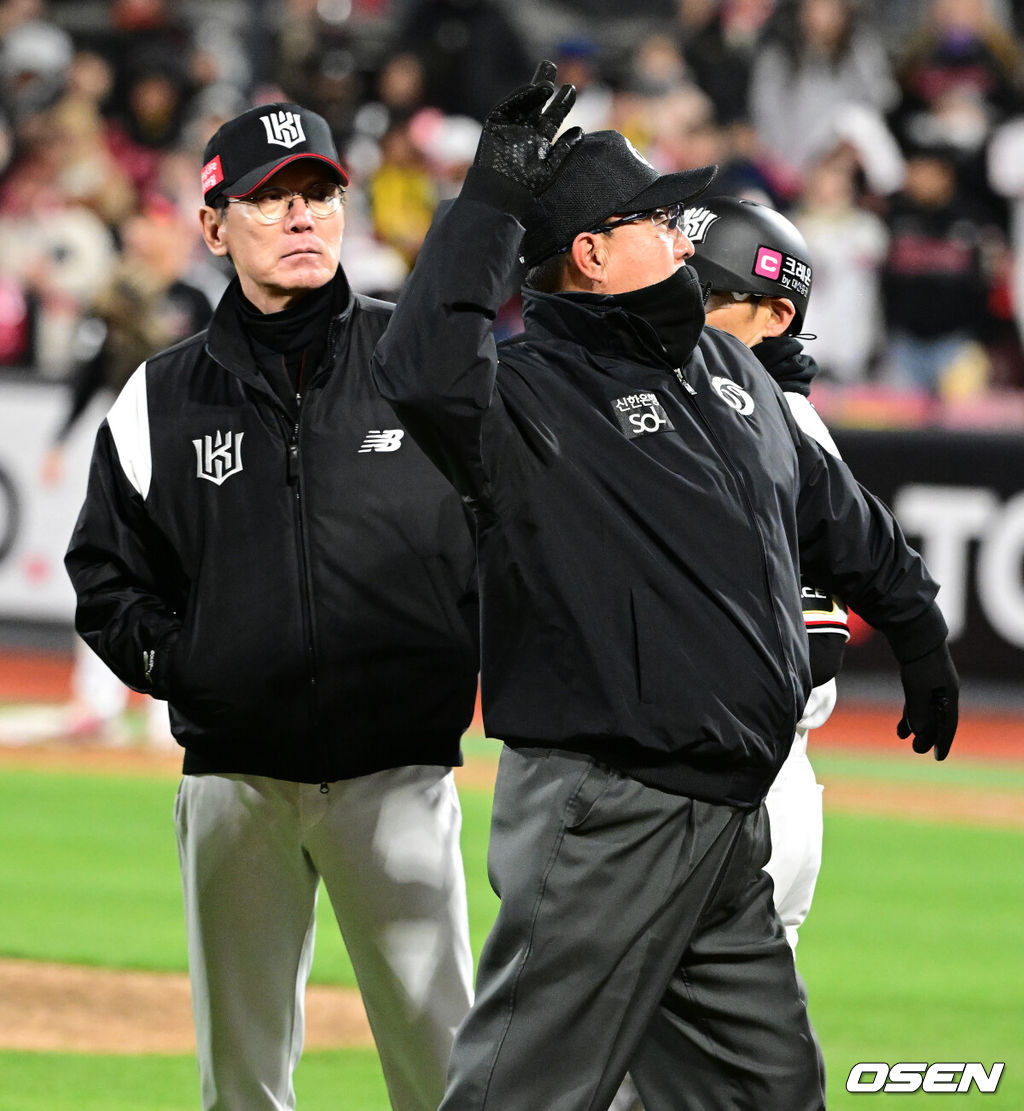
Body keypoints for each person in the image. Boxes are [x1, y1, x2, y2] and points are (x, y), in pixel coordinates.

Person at [372, 63, 959, 1111]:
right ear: (592, 255)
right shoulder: (526, 399)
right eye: (655, 216)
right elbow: (420, 365)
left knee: (766, 1093)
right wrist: (489, 203)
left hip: (726, 818)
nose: (684, 231)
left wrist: (916, 625)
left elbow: (835, 516)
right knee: (520, 1092)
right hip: (608, 809)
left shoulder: (726, 373)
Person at [64, 101, 478, 1111]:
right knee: (240, 1083)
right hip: (234, 780)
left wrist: (454, 658)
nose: (301, 218)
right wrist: (186, 666)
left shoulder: (417, 364)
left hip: (399, 776)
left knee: (450, 1074)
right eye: (270, 199)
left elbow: (512, 533)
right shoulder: (159, 397)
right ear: (214, 226)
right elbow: (105, 577)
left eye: (319, 195)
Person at [684, 194, 846, 953]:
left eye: (709, 294)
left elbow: (817, 644)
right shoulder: (695, 406)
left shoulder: (784, 431)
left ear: (775, 315)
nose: (682, 305)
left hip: (743, 792)